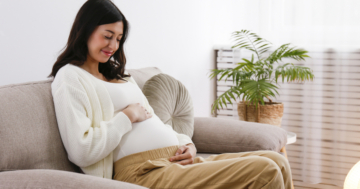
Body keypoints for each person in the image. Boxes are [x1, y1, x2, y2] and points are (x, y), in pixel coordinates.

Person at [48, 0, 293, 188]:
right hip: (143, 171)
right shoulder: (70, 78)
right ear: (85, 30)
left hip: (175, 160)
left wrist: (187, 143)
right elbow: (80, 150)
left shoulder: (120, 75)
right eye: (107, 36)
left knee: (278, 161)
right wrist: (127, 116)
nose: (113, 46)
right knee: (266, 170)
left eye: (119, 39)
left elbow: (154, 121)